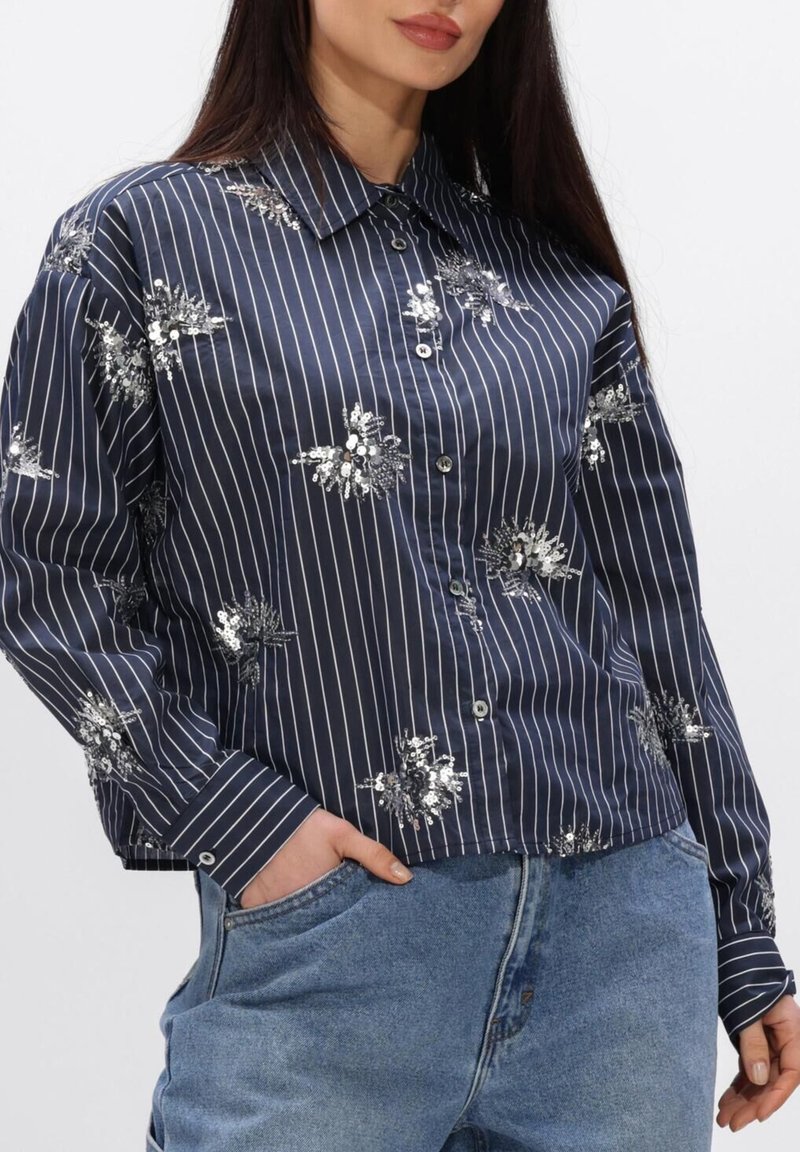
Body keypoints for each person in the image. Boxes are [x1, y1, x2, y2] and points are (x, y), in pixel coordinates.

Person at [1, 1, 798, 1148]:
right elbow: (47, 570)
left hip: (622, 952)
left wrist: (739, 919)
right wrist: (237, 821)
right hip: (333, 943)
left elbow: (655, 613)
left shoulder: (557, 281)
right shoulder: (137, 242)